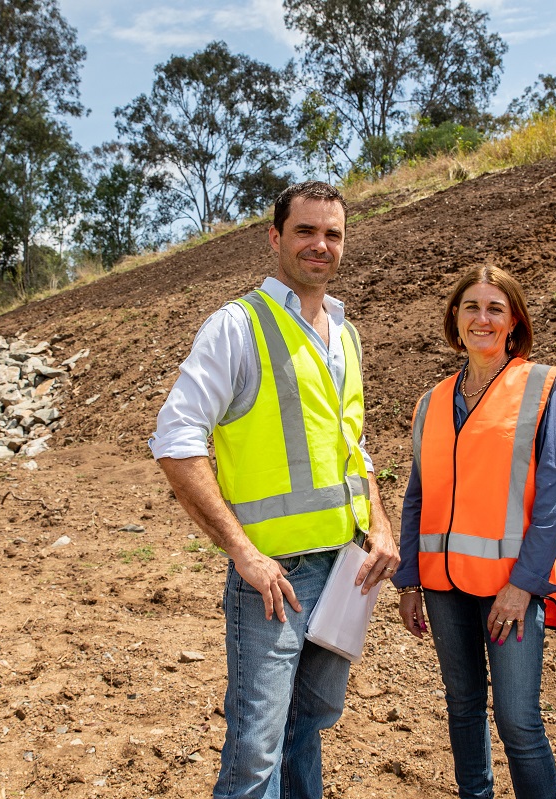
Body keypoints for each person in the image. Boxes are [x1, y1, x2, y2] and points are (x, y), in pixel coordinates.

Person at [149, 181, 400, 799]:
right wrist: (243, 551)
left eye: (333, 234)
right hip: (275, 578)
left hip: (344, 568)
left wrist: (380, 523)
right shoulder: (238, 326)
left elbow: (352, 443)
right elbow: (176, 440)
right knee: (256, 751)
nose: (320, 244)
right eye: (305, 231)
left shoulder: (345, 333)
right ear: (275, 238)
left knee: (307, 727)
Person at [392, 265, 556, 799]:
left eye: (496, 308)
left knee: (519, 721)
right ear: (456, 317)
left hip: (510, 590)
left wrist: (523, 586)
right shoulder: (431, 401)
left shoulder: (542, 387)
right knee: (463, 708)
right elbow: (417, 496)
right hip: (443, 585)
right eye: (471, 307)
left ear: (514, 321)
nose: (482, 318)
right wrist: (409, 581)